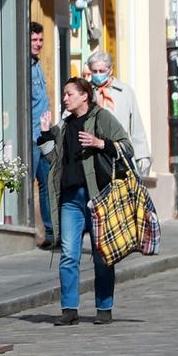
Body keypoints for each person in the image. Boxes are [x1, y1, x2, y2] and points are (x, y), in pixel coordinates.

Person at [37, 76, 134, 326]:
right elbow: (53, 159)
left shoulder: (101, 118)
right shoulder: (65, 124)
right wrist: (46, 134)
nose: (65, 98)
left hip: (98, 197)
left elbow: (127, 147)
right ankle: (69, 309)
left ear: (84, 96)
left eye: (69, 94)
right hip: (71, 199)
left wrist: (100, 143)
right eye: (65, 94)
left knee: (102, 254)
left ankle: (104, 307)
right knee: (69, 255)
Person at [86, 50, 150, 172]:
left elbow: (136, 126)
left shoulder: (125, 92)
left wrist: (142, 155)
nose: (98, 74)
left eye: (102, 71)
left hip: (120, 154)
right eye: (94, 71)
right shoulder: (84, 91)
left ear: (110, 70)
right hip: (93, 155)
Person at [29, 23, 53, 249]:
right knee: (30, 184)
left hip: (44, 135)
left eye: (40, 40)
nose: (37, 44)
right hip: (31, 137)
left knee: (47, 183)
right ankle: (31, 231)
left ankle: (51, 233)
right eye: (34, 40)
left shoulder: (37, 65)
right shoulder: (25, 67)